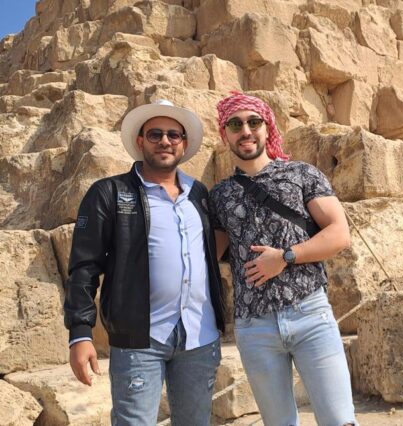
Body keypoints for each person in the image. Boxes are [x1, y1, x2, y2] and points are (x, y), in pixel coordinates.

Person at [63, 99, 225, 426]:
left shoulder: (200, 194)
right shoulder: (108, 193)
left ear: (184, 143)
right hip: (139, 340)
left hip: (200, 337)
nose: (165, 141)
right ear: (140, 141)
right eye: (155, 134)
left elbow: (214, 250)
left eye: (173, 135)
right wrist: (80, 333)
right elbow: (84, 266)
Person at [209, 92, 357, 426]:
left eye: (254, 122)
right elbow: (208, 255)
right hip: (254, 326)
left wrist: (286, 257)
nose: (246, 131)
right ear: (225, 134)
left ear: (268, 127)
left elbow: (339, 234)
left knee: (340, 420)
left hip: (309, 314)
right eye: (235, 125)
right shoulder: (219, 195)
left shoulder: (302, 175)